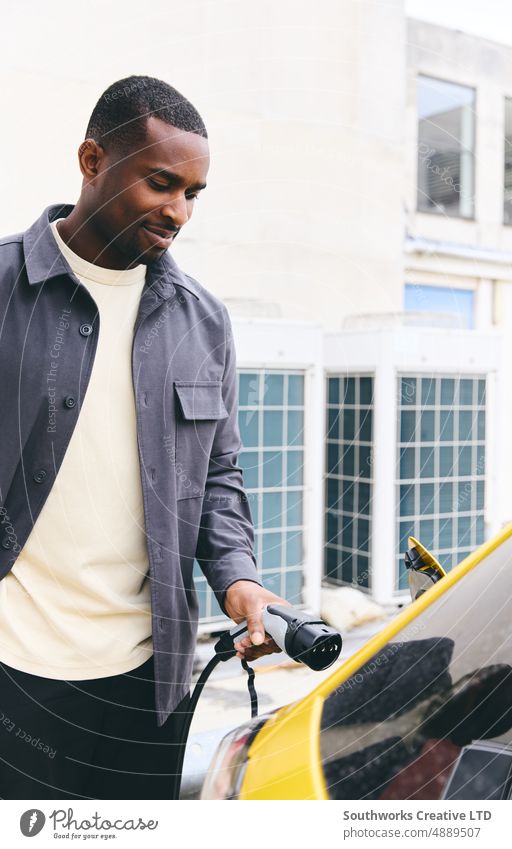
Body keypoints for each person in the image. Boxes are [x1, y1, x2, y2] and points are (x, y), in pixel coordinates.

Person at [0, 74, 290, 800]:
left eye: (193, 193)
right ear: (93, 161)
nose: (179, 211)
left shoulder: (204, 322)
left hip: (143, 685)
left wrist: (239, 575)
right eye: (161, 183)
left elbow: (218, 473)